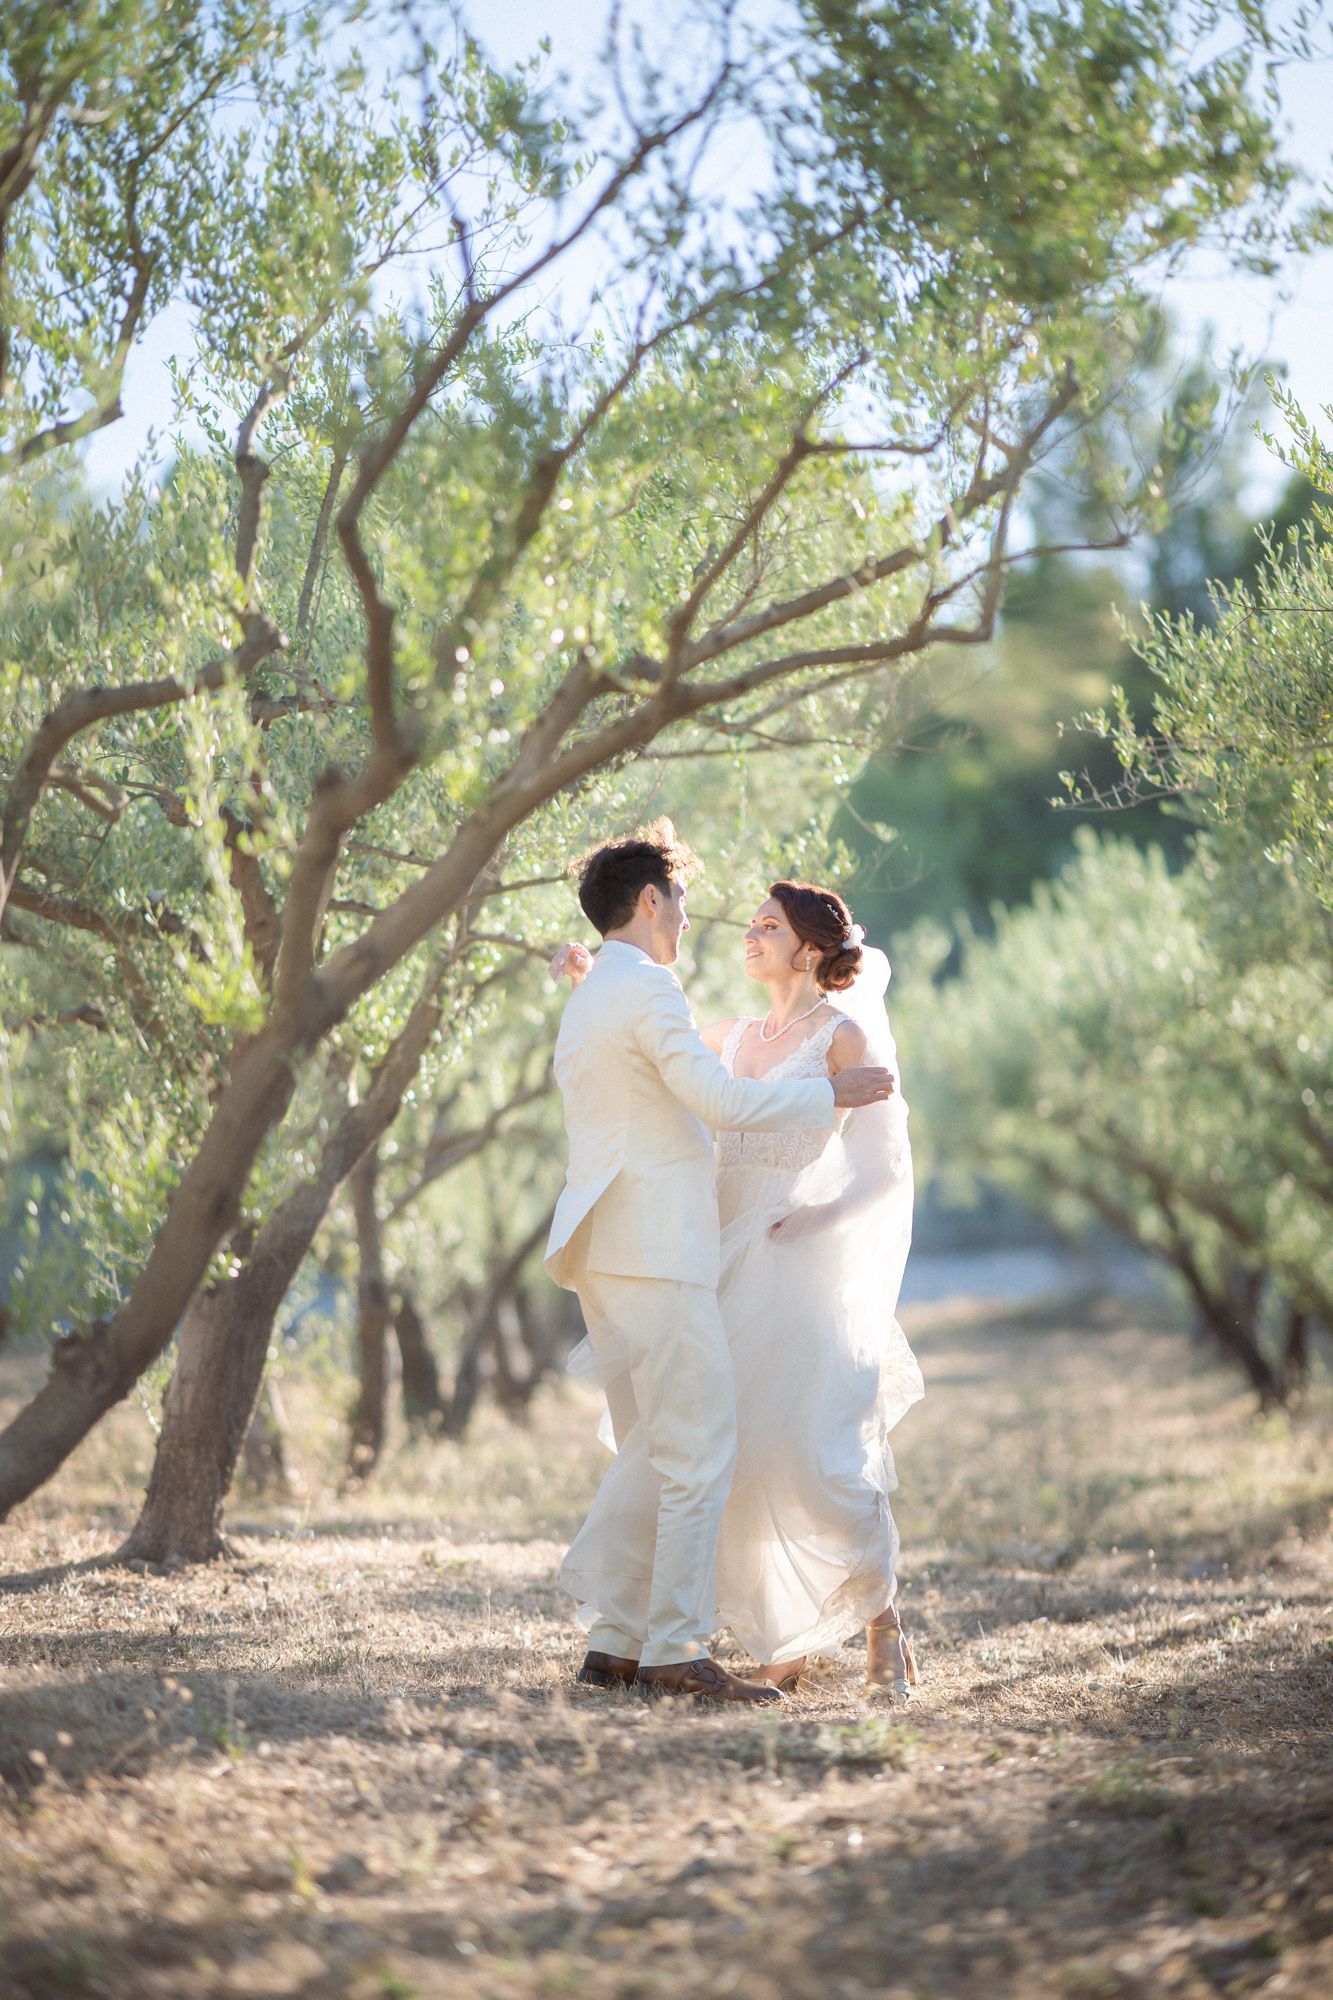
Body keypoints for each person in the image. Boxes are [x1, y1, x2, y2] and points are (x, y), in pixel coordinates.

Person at [544, 822, 897, 1705]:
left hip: (607, 1248)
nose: (702, 922)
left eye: (765, 924)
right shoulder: (647, 987)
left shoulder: (596, 993)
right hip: (661, 1249)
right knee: (697, 1454)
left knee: (656, 1449)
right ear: (651, 900)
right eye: (689, 901)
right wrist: (827, 1092)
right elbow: (716, 1098)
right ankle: (671, 1649)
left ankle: (616, 1643)